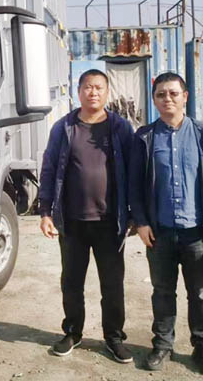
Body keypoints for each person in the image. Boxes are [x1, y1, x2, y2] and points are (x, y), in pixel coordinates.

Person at [129, 72, 203, 376]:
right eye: (161, 94)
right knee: (162, 292)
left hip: (196, 233)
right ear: (154, 100)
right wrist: (141, 222)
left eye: (173, 93)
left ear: (185, 97)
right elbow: (135, 185)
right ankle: (163, 345)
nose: (168, 99)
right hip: (159, 233)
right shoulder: (145, 138)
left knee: (200, 293)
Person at [38, 69, 134, 363]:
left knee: (112, 284)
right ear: (78, 92)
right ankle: (72, 332)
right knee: (71, 282)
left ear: (107, 93)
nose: (93, 92)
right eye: (88, 87)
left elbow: (133, 171)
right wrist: (45, 211)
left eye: (99, 88)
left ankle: (114, 337)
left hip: (110, 222)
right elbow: (49, 169)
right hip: (72, 222)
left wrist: (134, 214)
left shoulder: (119, 127)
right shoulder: (64, 127)